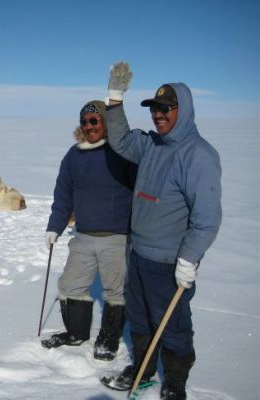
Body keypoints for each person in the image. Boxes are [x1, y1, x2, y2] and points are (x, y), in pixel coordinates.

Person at [100, 62, 222, 400]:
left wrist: (190, 258)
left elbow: (207, 217)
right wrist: (114, 99)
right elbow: (121, 140)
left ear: (183, 110)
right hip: (138, 254)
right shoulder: (152, 146)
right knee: (139, 318)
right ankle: (143, 369)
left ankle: (176, 382)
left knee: (173, 324)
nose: (158, 115)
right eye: (155, 109)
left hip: (169, 262)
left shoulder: (198, 155)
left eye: (166, 109)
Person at [42, 99, 137, 362]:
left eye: (94, 121)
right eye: (84, 122)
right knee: (70, 285)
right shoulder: (74, 155)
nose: (89, 126)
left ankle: (108, 339)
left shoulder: (121, 152)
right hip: (83, 236)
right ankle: (76, 333)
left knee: (115, 291)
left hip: (116, 237)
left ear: (106, 122)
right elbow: (63, 196)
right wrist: (54, 227)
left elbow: (141, 191)